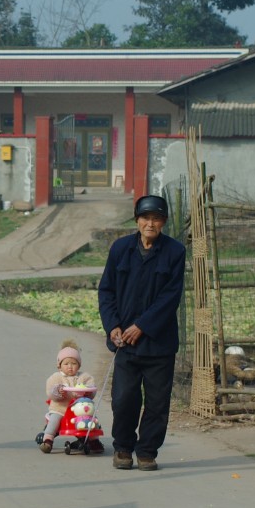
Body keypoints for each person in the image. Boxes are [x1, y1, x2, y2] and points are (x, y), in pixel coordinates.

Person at [97, 193, 186, 471]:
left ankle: (147, 450)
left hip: (159, 344)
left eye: (156, 219)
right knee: (124, 399)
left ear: (164, 222)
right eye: (146, 218)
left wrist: (142, 326)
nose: (151, 223)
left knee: (157, 403)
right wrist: (113, 326)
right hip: (126, 344)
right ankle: (123, 447)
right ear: (137, 220)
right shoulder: (120, 249)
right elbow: (106, 290)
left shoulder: (175, 252)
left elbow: (170, 297)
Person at [39, 339, 98, 453]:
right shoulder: (56, 377)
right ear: (59, 365)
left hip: (79, 409)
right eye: (66, 364)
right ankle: (48, 439)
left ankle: (94, 440)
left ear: (79, 365)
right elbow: (50, 391)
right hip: (60, 407)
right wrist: (58, 391)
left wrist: (88, 391)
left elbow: (91, 386)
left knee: (91, 419)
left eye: (74, 363)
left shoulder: (84, 377)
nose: (70, 367)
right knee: (55, 419)